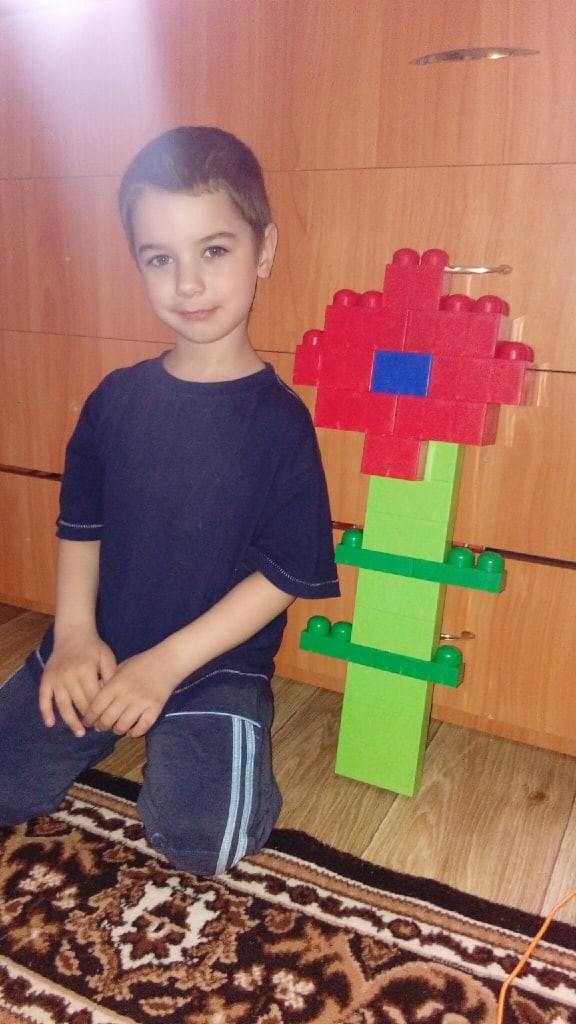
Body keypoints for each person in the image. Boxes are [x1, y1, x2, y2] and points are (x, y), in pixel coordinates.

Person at [0, 126, 339, 876]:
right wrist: (75, 634)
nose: (188, 284)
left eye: (213, 251)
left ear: (264, 250)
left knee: (199, 840)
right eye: (161, 258)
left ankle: (197, 732)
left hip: (211, 665)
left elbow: (285, 573)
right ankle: (97, 705)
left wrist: (165, 667)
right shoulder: (115, 401)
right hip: (97, 649)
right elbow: (80, 526)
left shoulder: (280, 424)